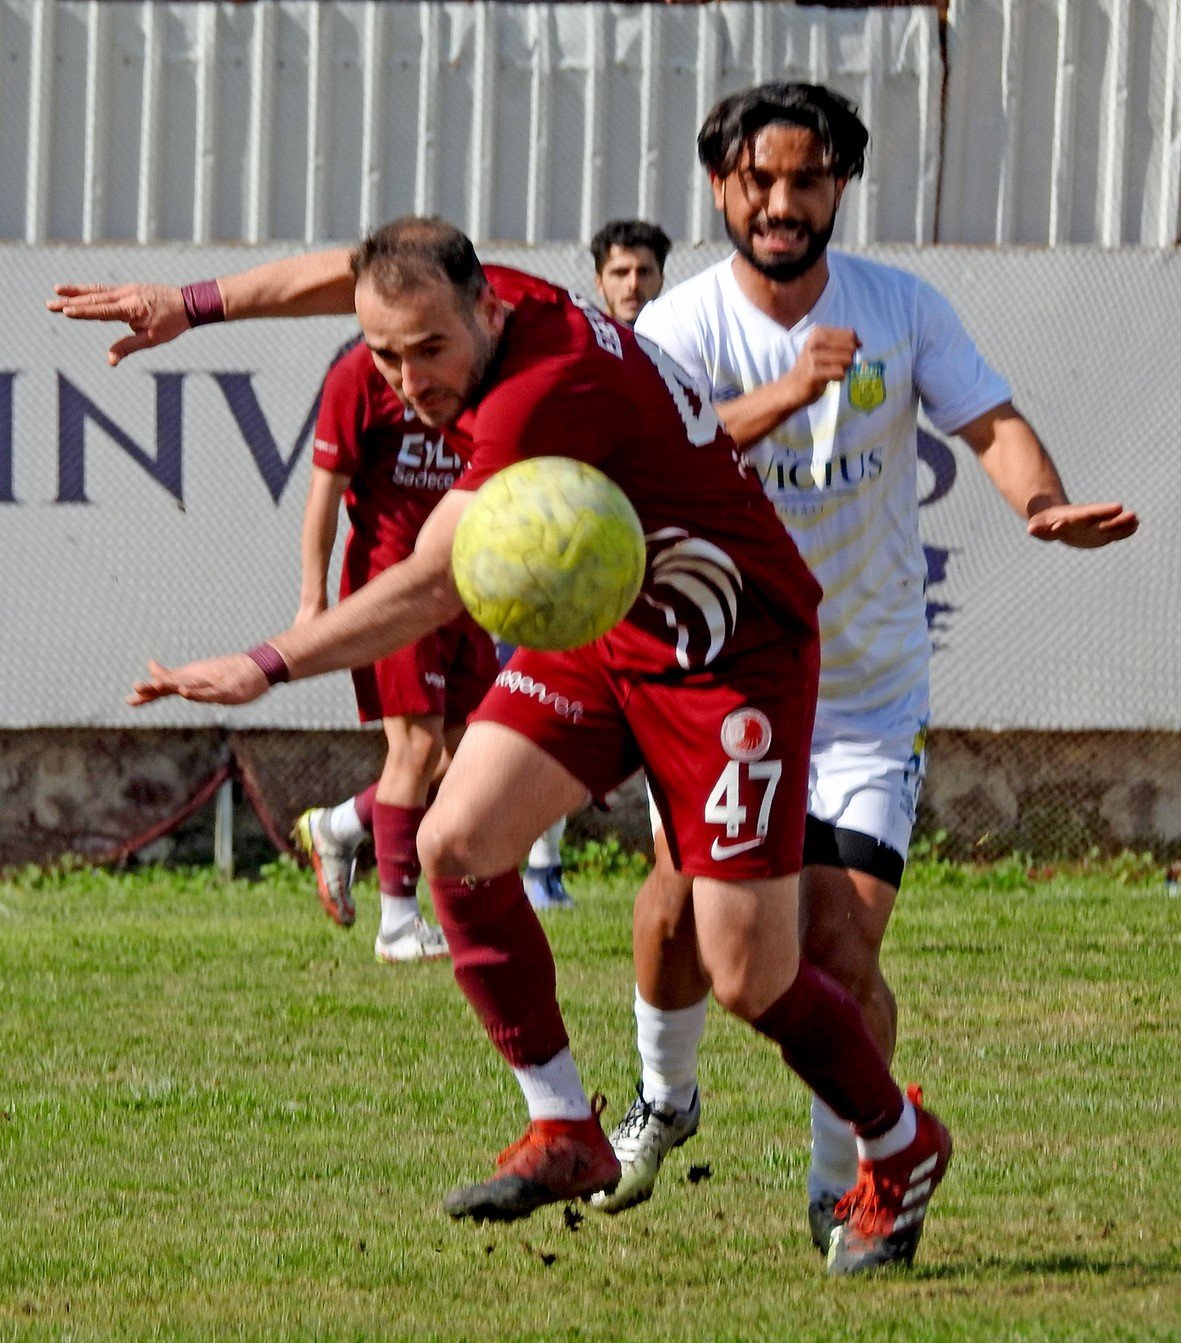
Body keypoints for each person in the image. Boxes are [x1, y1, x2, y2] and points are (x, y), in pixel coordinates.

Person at [113, 216, 952, 1273]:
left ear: (487, 311)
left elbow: (427, 583)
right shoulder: (470, 293)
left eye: (428, 350)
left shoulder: (537, 392)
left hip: (726, 646)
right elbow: (349, 274)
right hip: (610, 624)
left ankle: (898, 1140)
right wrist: (188, 307)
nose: (406, 378)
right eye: (382, 353)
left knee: (747, 973)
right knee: (452, 840)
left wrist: (264, 663)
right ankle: (564, 1125)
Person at [587, 82, 1139, 1250]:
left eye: (805, 179)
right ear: (720, 187)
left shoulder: (899, 306)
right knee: (679, 909)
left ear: (838, 183)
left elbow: (985, 421)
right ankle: (661, 1099)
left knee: (835, 948)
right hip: (722, 678)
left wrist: (1036, 503)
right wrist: (785, 390)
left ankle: (850, 1179)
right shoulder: (679, 328)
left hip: (862, 693)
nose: (780, 204)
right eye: (758, 181)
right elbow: (641, 458)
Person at [289, 334, 497, 961]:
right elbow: (324, 493)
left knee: (477, 753)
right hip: (391, 587)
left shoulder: (475, 362)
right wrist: (312, 601)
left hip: (465, 584)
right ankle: (399, 925)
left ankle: (342, 824)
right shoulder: (357, 374)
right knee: (416, 744)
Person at [590, 219, 671, 327]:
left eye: (644, 272)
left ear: (661, 280)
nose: (633, 284)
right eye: (620, 273)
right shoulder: (581, 341)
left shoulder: (680, 340)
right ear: (599, 283)